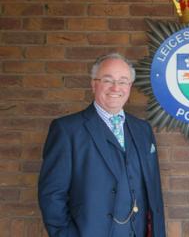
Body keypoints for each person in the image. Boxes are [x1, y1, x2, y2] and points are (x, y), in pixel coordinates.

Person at [38, 53, 166, 237]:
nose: (116, 87)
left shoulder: (143, 129)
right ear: (93, 84)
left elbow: (153, 193)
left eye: (123, 81)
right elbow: (52, 195)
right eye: (108, 80)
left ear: (129, 87)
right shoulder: (67, 130)